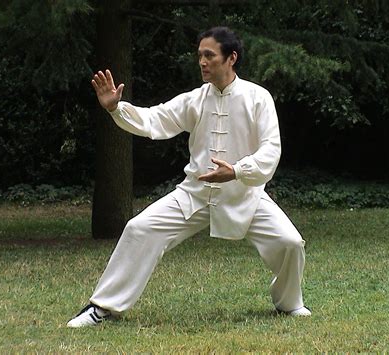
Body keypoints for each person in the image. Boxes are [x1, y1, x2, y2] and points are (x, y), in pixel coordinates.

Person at [67, 26, 311, 328]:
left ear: (231, 58)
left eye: (209, 55)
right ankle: (102, 308)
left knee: (290, 243)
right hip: (195, 193)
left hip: (244, 193)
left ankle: (289, 303)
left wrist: (236, 171)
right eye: (200, 56)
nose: (202, 62)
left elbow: (271, 149)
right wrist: (117, 109)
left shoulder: (258, 98)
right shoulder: (194, 100)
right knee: (139, 228)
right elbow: (155, 119)